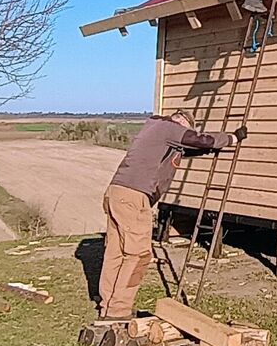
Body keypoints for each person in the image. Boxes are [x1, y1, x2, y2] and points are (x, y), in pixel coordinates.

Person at [97, 111, 243, 321]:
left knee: (116, 253)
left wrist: (208, 149)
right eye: (187, 127)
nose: (187, 131)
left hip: (117, 193)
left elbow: (186, 149)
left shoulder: (155, 128)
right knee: (139, 254)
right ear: (181, 121)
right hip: (134, 197)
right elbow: (200, 140)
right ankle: (118, 311)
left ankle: (108, 306)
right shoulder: (169, 128)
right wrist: (232, 138)